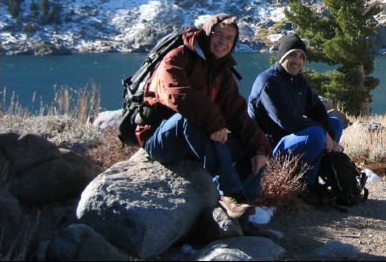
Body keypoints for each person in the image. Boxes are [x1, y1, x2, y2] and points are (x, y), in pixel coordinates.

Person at [138, 13, 271, 218]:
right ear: (207, 34)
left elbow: (237, 113)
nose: (223, 42)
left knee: (251, 149)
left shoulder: (222, 71)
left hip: (196, 138)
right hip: (161, 138)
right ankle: (230, 194)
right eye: (218, 34)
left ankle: (245, 208)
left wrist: (259, 148)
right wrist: (214, 123)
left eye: (229, 38)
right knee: (188, 119)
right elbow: (177, 95)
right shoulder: (177, 57)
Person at [247, 33, 344, 194]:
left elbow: (316, 108)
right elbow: (285, 120)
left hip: (289, 140)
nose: (297, 61)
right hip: (267, 147)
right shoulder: (268, 82)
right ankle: (305, 187)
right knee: (316, 134)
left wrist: (331, 137)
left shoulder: (298, 80)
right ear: (282, 56)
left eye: (301, 57)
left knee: (335, 124)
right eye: (292, 55)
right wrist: (322, 133)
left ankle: (319, 171)